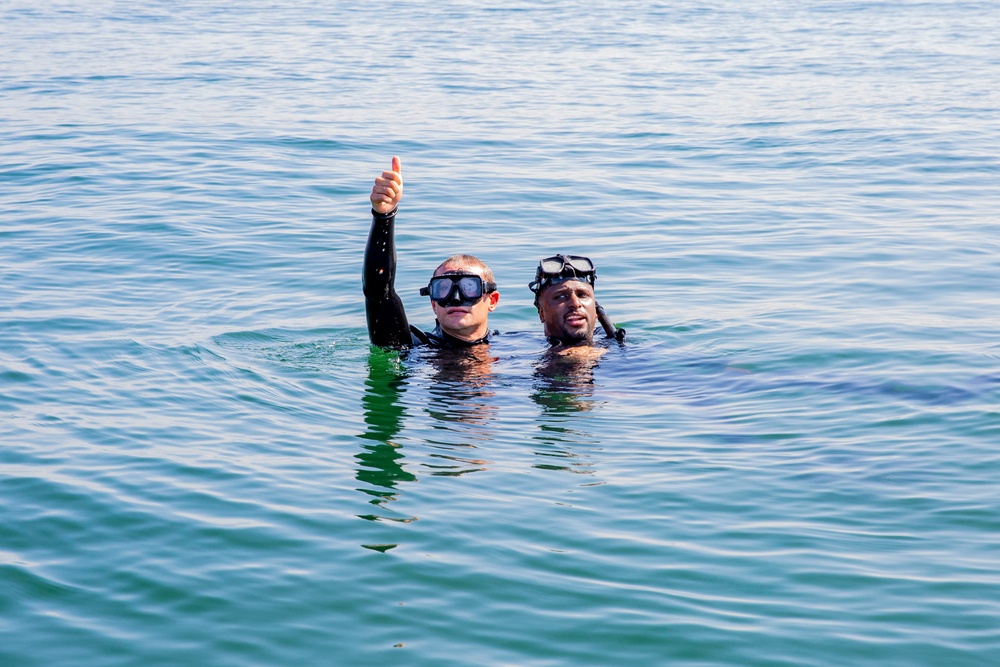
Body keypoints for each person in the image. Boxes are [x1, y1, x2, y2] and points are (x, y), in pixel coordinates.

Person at [364, 156, 501, 349]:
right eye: (442, 288)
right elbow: (378, 292)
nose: (455, 298)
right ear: (433, 304)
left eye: (469, 287)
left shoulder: (518, 346)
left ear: (492, 300)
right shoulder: (415, 346)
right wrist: (383, 215)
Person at [528, 254, 625, 349]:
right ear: (542, 314)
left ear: (595, 310)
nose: (575, 303)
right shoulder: (520, 347)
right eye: (561, 296)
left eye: (582, 295)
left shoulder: (616, 342)